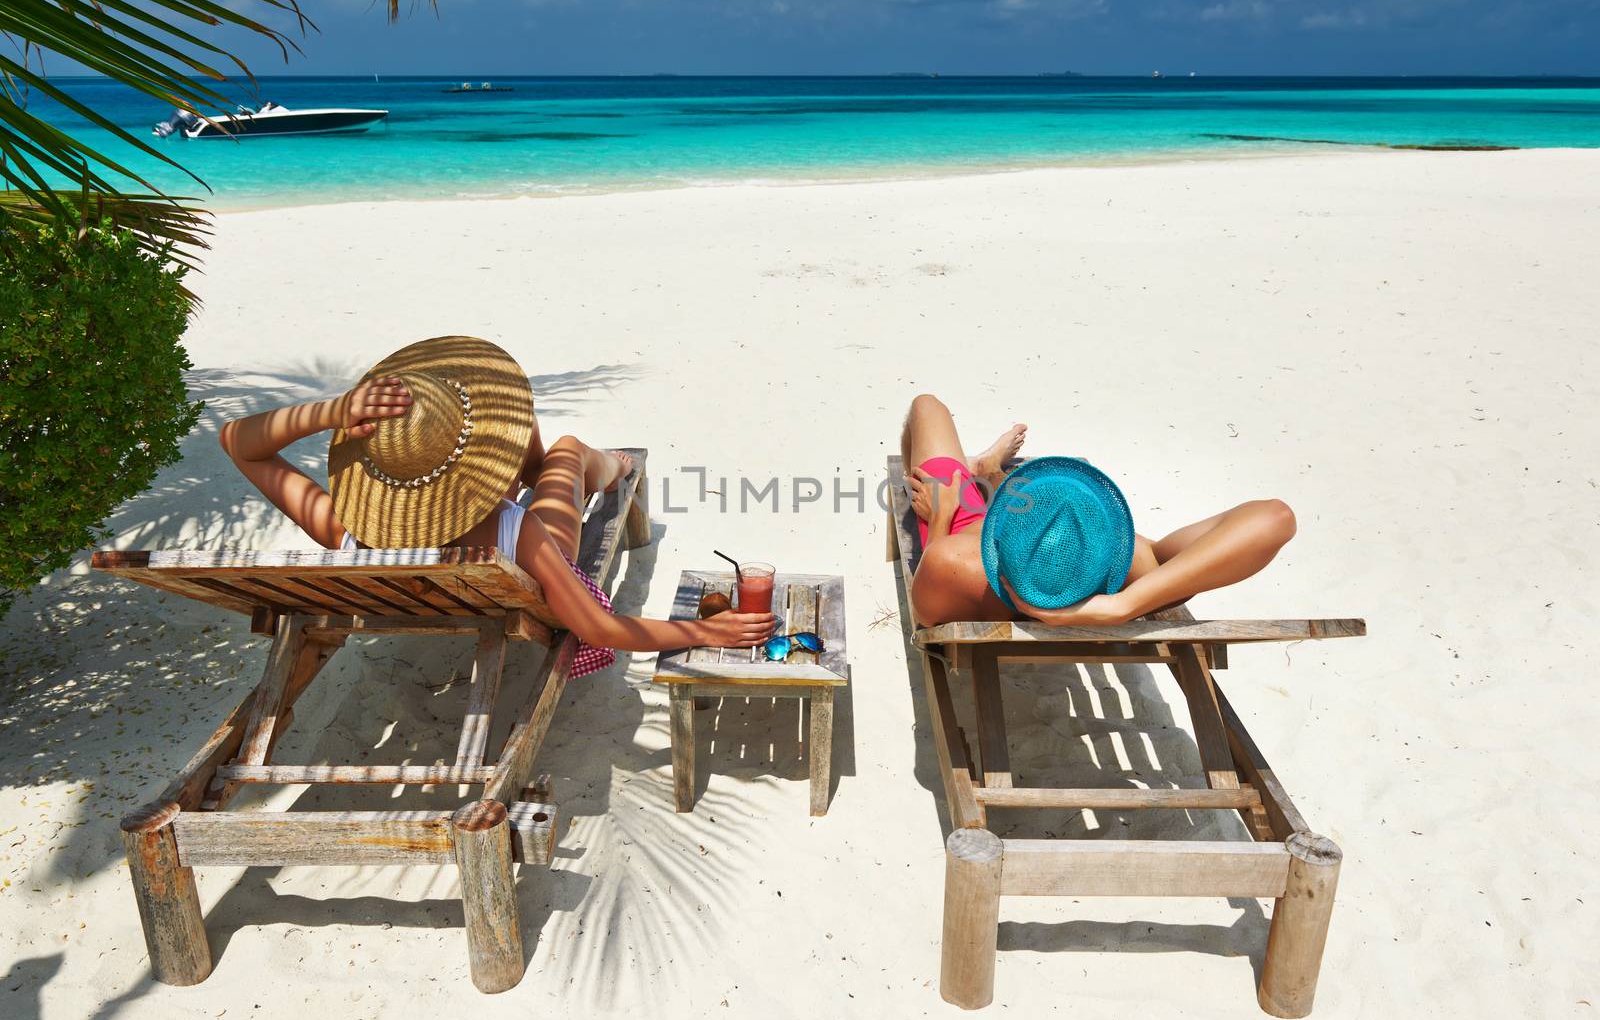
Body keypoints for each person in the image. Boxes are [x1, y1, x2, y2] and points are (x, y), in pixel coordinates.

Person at [220, 336, 775, 674]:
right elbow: (602, 630)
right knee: (568, 452)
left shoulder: (343, 530)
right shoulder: (524, 535)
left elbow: (238, 443)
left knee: (544, 451)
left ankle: (551, 466)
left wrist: (330, 412)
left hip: (425, 584)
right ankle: (612, 469)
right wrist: (706, 632)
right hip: (514, 563)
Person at [901, 393, 1298, 628]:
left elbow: (923, 618)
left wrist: (941, 515)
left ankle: (989, 476)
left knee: (926, 406)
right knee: (931, 411)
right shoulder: (1130, 572)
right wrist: (1120, 605)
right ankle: (992, 472)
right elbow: (1275, 518)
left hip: (965, 520)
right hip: (1056, 546)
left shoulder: (952, 561)